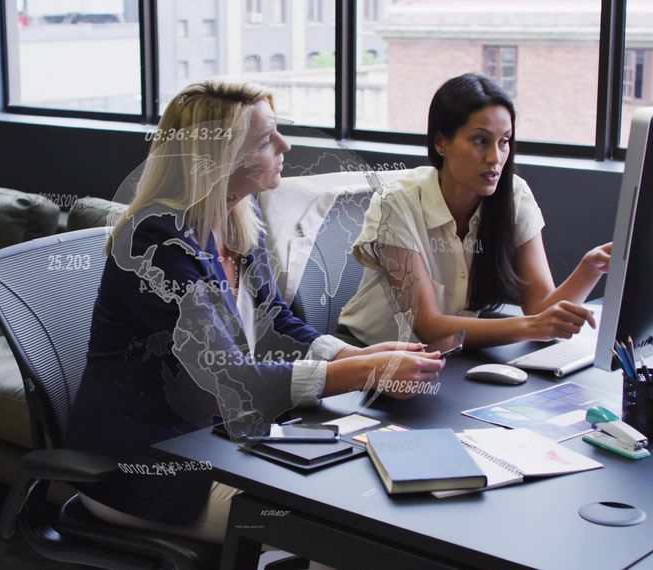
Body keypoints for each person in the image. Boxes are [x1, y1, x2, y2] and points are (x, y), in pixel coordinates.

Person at [65, 80, 446, 549]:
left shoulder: (240, 221)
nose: (285, 146)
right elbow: (228, 374)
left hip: (215, 439)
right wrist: (360, 371)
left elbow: (279, 323)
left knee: (362, 498)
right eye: (267, 140)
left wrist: (354, 352)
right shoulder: (156, 243)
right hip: (145, 466)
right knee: (343, 532)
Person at [339, 73, 612, 348]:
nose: (495, 158)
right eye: (480, 141)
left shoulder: (514, 195)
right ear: (440, 143)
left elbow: (542, 315)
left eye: (504, 141)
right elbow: (428, 325)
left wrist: (590, 268)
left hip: (446, 358)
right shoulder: (396, 203)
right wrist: (532, 326)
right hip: (368, 357)